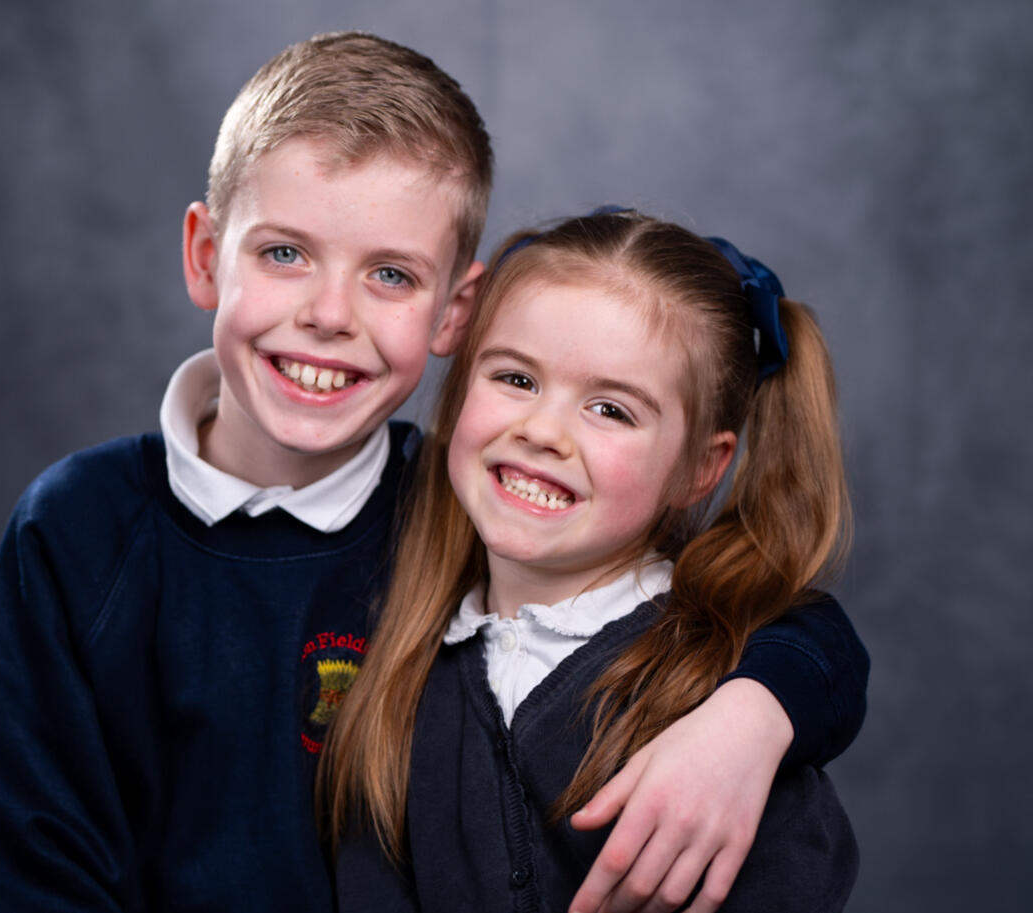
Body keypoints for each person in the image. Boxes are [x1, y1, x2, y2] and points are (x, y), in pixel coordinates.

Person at [0, 31, 865, 913]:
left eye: (390, 275)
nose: (329, 315)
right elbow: (34, 859)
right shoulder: (78, 528)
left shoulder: (467, 504)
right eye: (284, 253)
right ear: (206, 256)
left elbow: (781, 625)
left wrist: (753, 716)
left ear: (452, 313)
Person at [321, 208, 862, 913]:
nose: (543, 431)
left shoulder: (714, 689)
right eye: (516, 379)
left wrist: (756, 713)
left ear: (700, 469)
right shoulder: (404, 656)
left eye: (611, 410)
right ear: (458, 393)